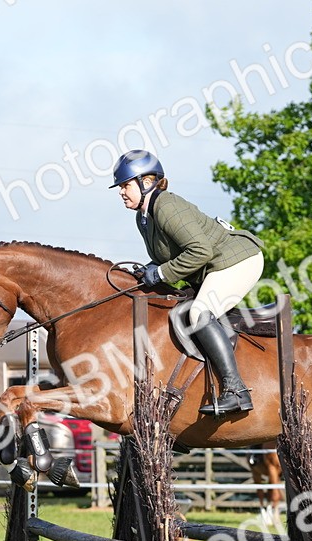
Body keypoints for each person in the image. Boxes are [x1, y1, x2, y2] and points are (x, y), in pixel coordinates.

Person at [112, 149, 265, 415]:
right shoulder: (143, 216)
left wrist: (160, 274)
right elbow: (171, 255)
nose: (121, 192)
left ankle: (236, 391)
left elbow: (200, 252)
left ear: (146, 182)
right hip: (211, 267)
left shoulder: (166, 205)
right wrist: (149, 270)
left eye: (125, 185)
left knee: (199, 313)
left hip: (238, 261)